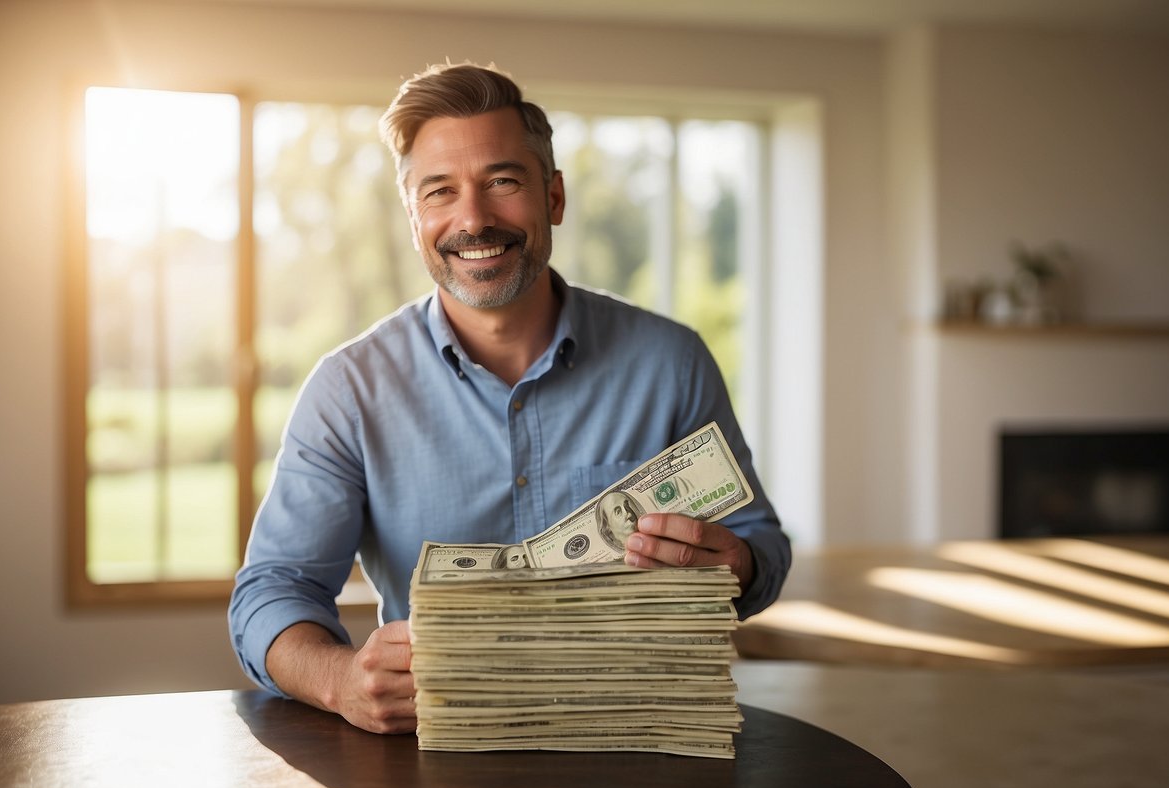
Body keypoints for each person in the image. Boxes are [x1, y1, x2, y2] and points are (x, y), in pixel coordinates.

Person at [228, 61, 791, 735]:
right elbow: (271, 591)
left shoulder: (670, 364)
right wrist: (339, 679)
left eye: (502, 181)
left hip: (640, 742)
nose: (474, 218)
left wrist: (737, 561)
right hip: (432, 753)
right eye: (439, 192)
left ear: (552, 197)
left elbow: (759, 542)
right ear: (413, 218)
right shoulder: (348, 391)